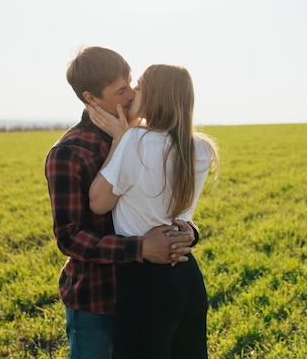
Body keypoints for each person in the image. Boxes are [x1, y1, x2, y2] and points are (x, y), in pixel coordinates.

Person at [44, 47, 200, 359]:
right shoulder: (70, 152)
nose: (131, 94)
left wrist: (189, 232)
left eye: (130, 83)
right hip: (98, 303)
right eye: (120, 90)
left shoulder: (149, 138)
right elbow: (70, 237)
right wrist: (140, 247)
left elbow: (166, 207)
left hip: (147, 296)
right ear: (91, 98)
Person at [87, 64, 219, 359]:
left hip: (145, 282)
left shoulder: (136, 141)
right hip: (186, 276)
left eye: (140, 85)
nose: (133, 91)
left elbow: (98, 202)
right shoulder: (200, 148)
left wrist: (121, 137)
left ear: (156, 95)